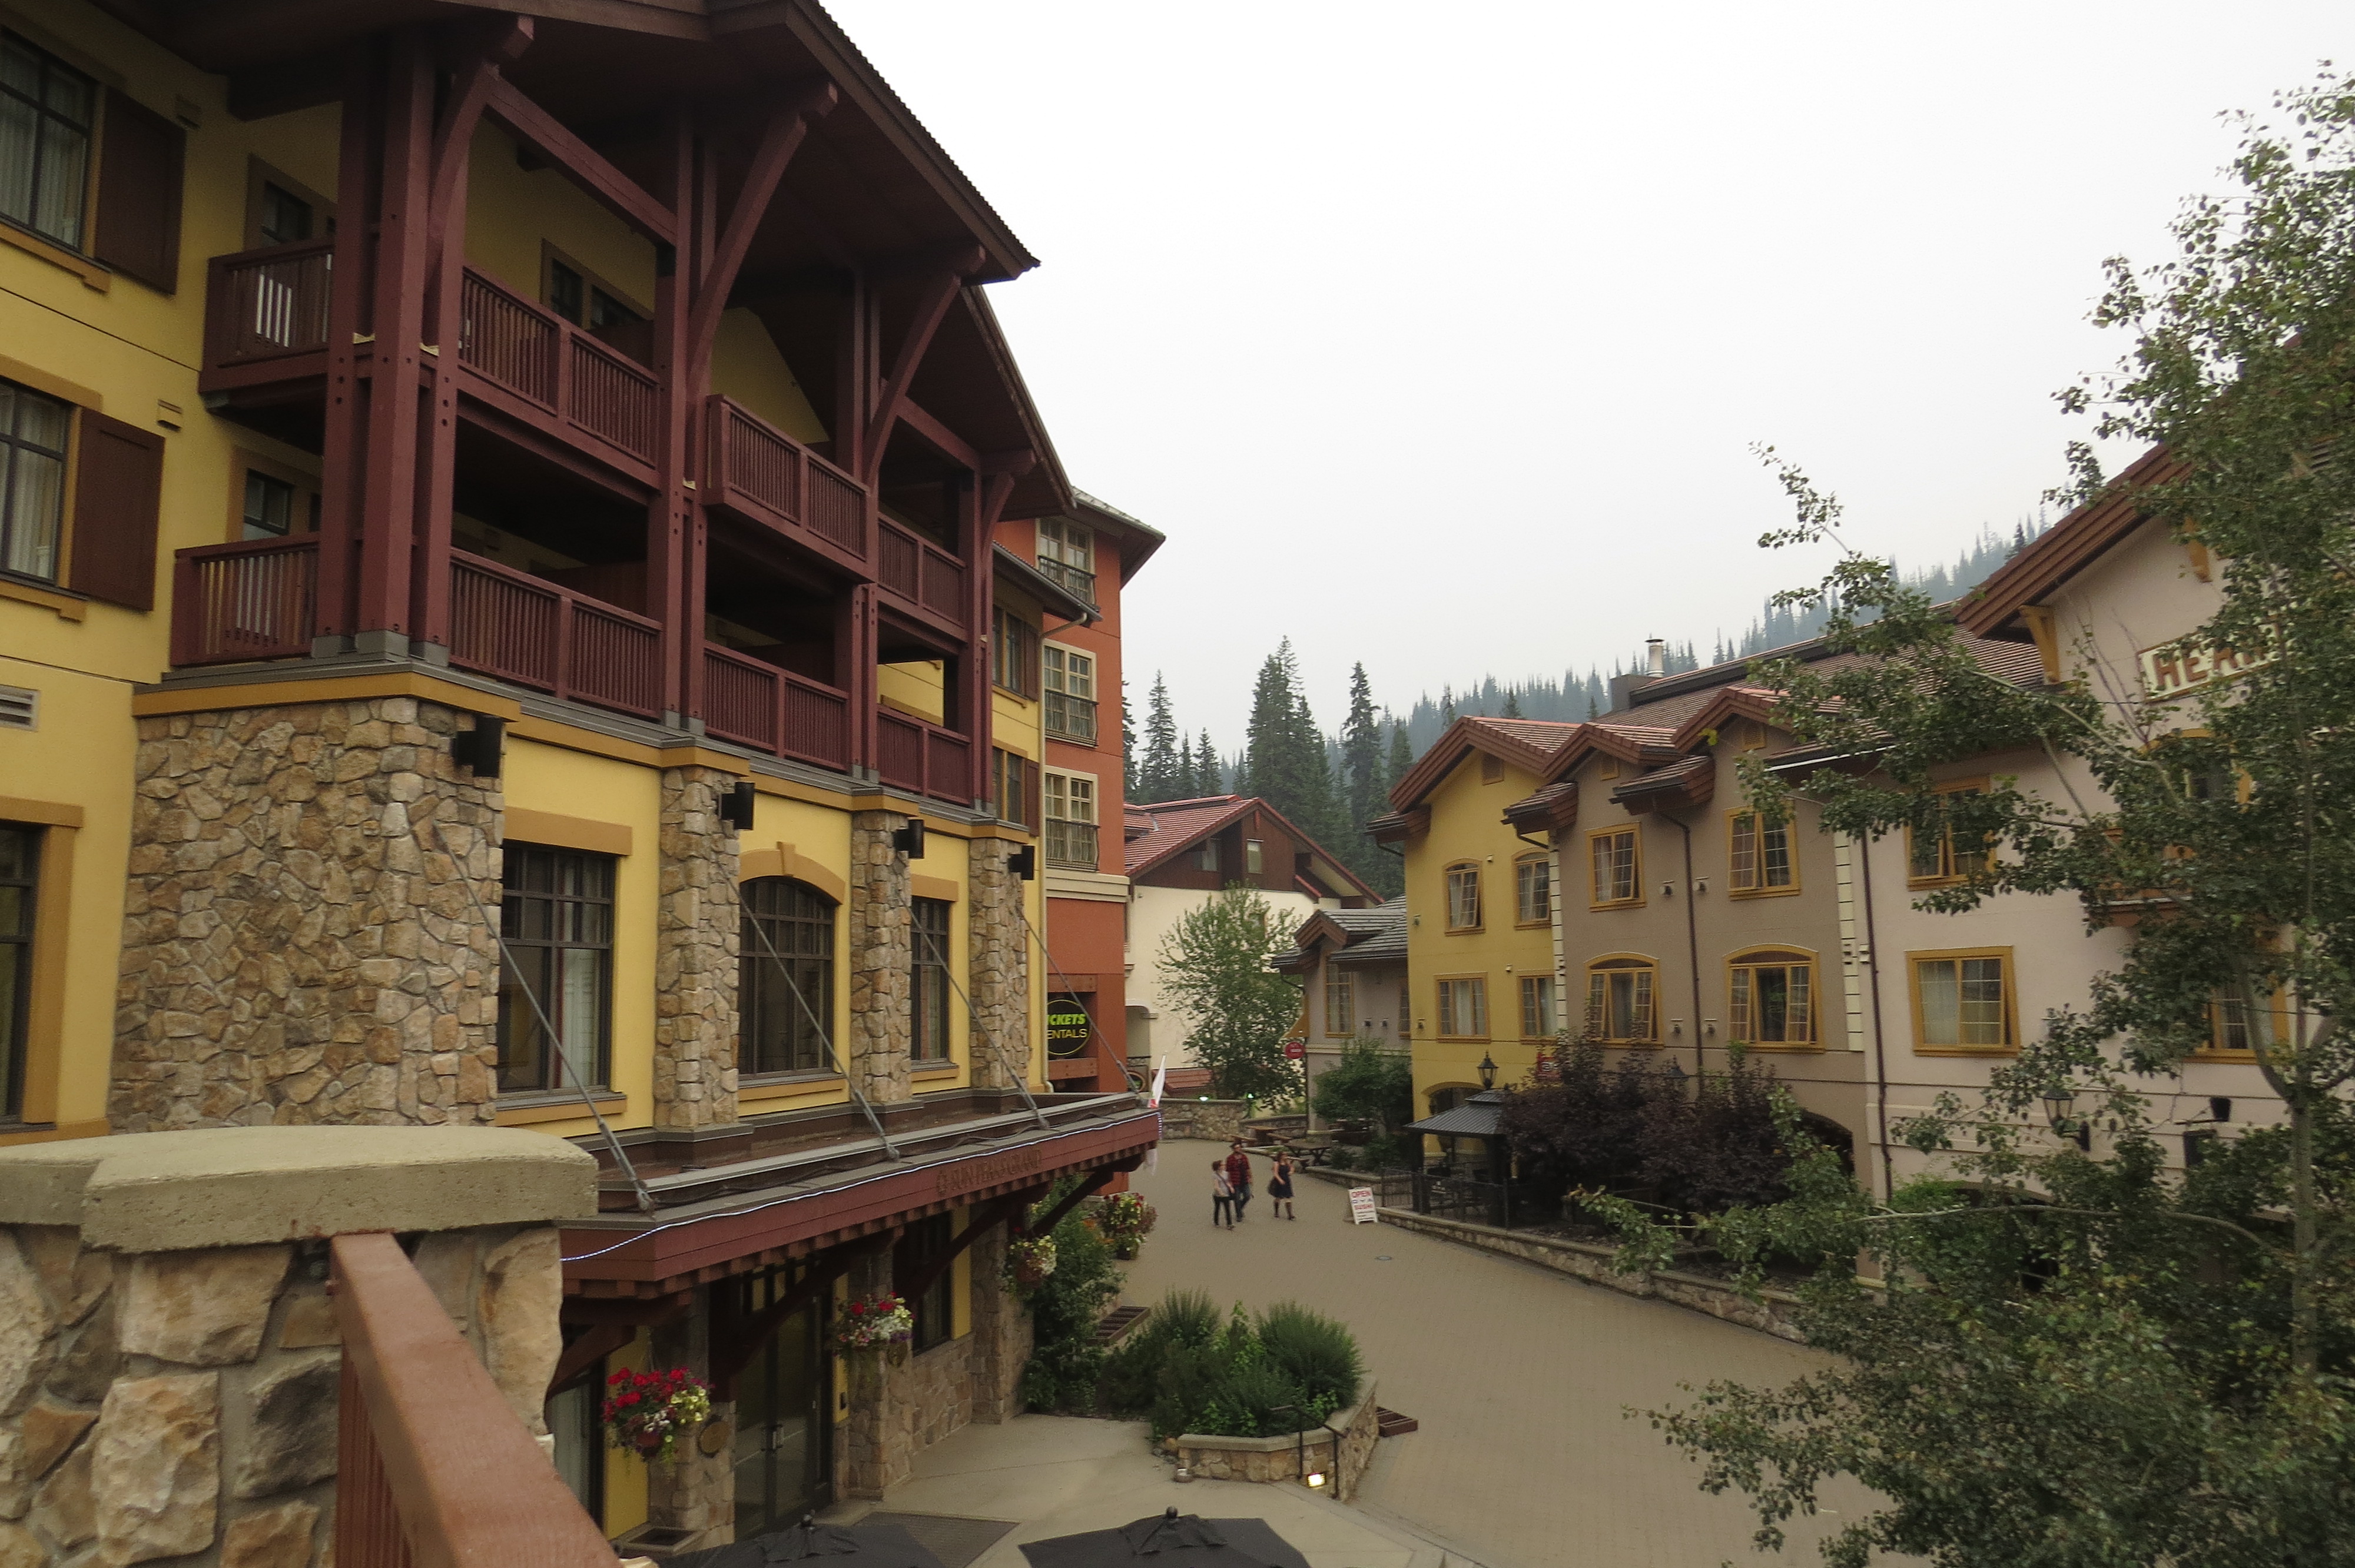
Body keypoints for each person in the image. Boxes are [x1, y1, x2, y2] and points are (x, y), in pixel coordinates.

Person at [1223, 1142, 1254, 1222]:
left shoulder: (1244, 1157)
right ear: (1234, 1149)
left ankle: (1240, 1208)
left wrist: (1250, 1177)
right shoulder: (1230, 1158)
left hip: (1244, 1180)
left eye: (1239, 1148)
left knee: (1247, 1196)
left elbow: (1248, 1168)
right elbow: (1228, 1171)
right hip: (1235, 1180)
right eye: (1237, 1148)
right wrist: (1229, 1182)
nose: (1239, 1149)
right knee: (1237, 1198)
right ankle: (1239, 1215)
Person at [1268, 1151, 1296, 1220]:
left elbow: (1292, 1168)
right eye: (1284, 1155)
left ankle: (1290, 1215)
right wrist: (1280, 1180)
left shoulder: (1287, 1162)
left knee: (1288, 1197)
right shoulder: (1277, 1163)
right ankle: (1276, 1212)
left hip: (1287, 1180)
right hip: (1279, 1182)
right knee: (1278, 1197)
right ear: (1280, 1156)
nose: (1285, 1157)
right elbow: (1275, 1173)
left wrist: (1291, 1172)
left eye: (1286, 1155)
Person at [1210, 1161, 1235, 1229]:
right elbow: (1216, 1186)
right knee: (1217, 1208)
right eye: (1223, 1165)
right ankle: (1216, 1221)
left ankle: (1229, 1224)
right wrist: (1221, 1193)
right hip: (1218, 1195)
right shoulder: (1215, 1175)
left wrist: (1231, 1188)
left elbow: (1227, 1182)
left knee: (1227, 1209)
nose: (1224, 1166)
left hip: (1226, 1194)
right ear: (1219, 1167)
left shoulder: (1226, 1173)